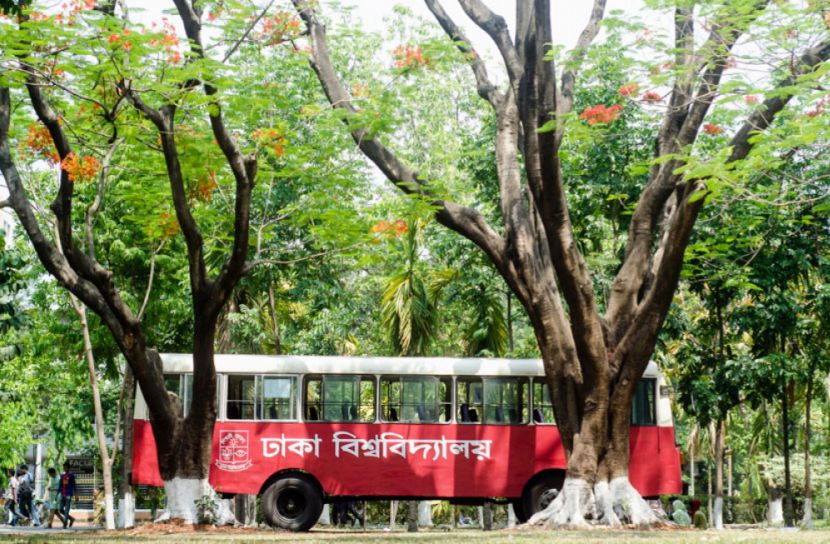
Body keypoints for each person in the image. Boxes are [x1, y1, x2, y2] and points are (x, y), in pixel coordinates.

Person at [58, 462, 76, 528]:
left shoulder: (71, 475)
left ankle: (65, 524)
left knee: (66, 509)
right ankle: (71, 518)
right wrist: (57, 495)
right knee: (60, 509)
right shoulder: (62, 476)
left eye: (66, 467)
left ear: (68, 468)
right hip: (63, 494)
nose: (64, 468)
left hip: (69, 494)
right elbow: (60, 486)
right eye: (64, 467)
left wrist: (76, 495)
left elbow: (74, 485)